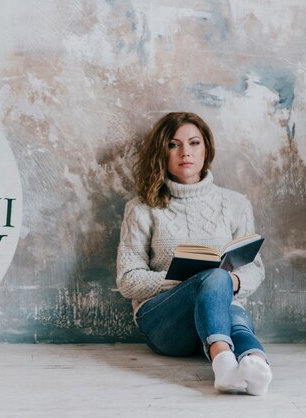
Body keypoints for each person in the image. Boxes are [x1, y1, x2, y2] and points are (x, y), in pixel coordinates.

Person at [116, 112, 273, 395]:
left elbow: (254, 269)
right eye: (174, 144)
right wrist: (187, 280)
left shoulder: (235, 203)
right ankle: (226, 362)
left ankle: (254, 364)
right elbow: (128, 280)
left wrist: (230, 282)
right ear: (161, 152)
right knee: (213, 278)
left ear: (207, 149)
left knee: (232, 311)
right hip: (165, 324)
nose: (185, 152)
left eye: (194, 143)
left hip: (221, 314)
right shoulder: (141, 208)